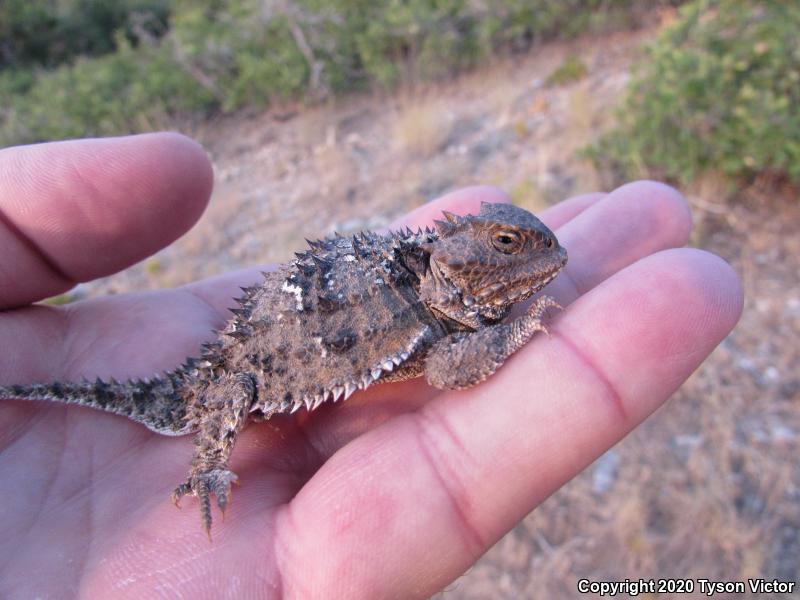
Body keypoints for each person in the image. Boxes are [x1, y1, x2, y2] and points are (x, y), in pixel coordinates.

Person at [0, 133, 742, 598]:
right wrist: (211, 463)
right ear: (462, 253)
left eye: (516, 245)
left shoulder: (447, 283)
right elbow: (450, 370)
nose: (529, 259)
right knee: (211, 397)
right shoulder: (434, 296)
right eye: (507, 247)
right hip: (245, 374)